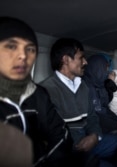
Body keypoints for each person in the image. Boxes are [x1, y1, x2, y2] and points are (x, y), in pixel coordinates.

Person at [40, 38, 117, 167]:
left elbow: (92, 117)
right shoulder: (46, 91)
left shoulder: (83, 86)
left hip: (89, 141)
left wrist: (95, 135)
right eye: (81, 58)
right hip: (68, 154)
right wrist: (77, 146)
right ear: (66, 60)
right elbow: (48, 136)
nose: (85, 62)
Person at [0, 17, 72, 167]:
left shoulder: (38, 94)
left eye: (30, 49)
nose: (23, 56)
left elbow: (61, 134)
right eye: (11, 46)